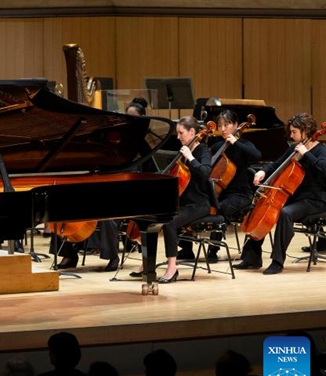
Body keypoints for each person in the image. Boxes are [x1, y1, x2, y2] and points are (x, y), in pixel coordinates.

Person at [131, 116, 213, 282]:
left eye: (181, 133)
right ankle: (148, 264)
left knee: (170, 222)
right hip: (181, 202)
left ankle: (172, 268)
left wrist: (191, 158)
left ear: (192, 132)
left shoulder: (202, 151)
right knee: (150, 218)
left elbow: (205, 173)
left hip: (199, 204)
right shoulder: (183, 151)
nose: (178, 137)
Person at [249, 112, 326, 275]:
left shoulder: (321, 150)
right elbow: (277, 164)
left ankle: (277, 261)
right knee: (263, 208)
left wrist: (306, 154)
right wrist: (263, 172)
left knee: (285, 213)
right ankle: (252, 257)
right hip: (297, 197)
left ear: (306, 131)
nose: (291, 135)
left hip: (316, 200)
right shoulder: (294, 148)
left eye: (294, 132)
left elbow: (323, 170)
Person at [208, 110, 261, 266]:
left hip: (241, 195)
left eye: (227, 124)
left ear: (236, 125)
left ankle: (213, 250)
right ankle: (186, 248)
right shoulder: (217, 146)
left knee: (220, 208)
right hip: (221, 192)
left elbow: (257, 156)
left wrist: (236, 142)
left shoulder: (244, 145)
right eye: (220, 125)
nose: (223, 129)